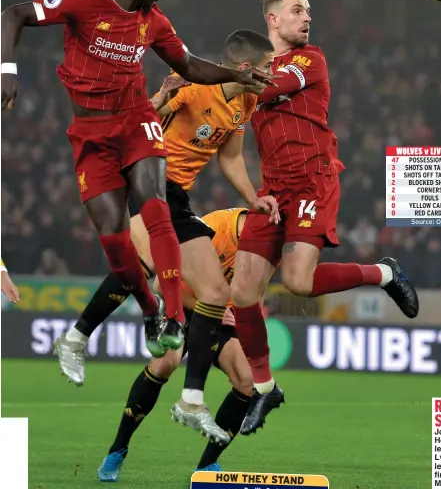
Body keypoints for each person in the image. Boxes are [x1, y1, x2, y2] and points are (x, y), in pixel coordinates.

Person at [0, 0, 274, 359]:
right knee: (115, 242)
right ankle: (149, 311)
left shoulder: (155, 22)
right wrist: (7, 70)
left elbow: (190, 65)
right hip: (91, 131)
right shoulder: (84, 2)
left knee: (156, 204)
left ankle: (173, 313)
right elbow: (13, 13)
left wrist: (237, 75)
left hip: (135, 118)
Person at [53, 29, 278, 442]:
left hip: (177, 195)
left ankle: (190, 400)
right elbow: (137, 128)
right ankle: (76, 337)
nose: (270, 75)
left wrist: (255, 197)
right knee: (142, 264)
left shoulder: (244, 102)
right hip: (147, 177)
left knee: (211, 291)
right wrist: (157, 100)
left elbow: (230, 158)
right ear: (245, 68)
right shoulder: (192, 90)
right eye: (266, 68)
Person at [230, 0, 420, 435]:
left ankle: (385, 273)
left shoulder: (308, 60)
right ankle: (265, 388)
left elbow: (267, 88)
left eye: (308, 11)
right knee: (242, 293)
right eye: (297, 10)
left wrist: (216, 75)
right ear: (272, 19)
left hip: (314, 181)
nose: (307, 17)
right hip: (274, 189)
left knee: (297, 282)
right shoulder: (249, 68)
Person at [97, 208, 254, 482]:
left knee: (246, 381)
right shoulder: (212, 229)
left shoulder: (263, 253)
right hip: (183, 309)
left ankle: (206, 466)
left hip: (217, 318)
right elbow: (160, 284)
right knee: (165, 364)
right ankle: (117, 450)